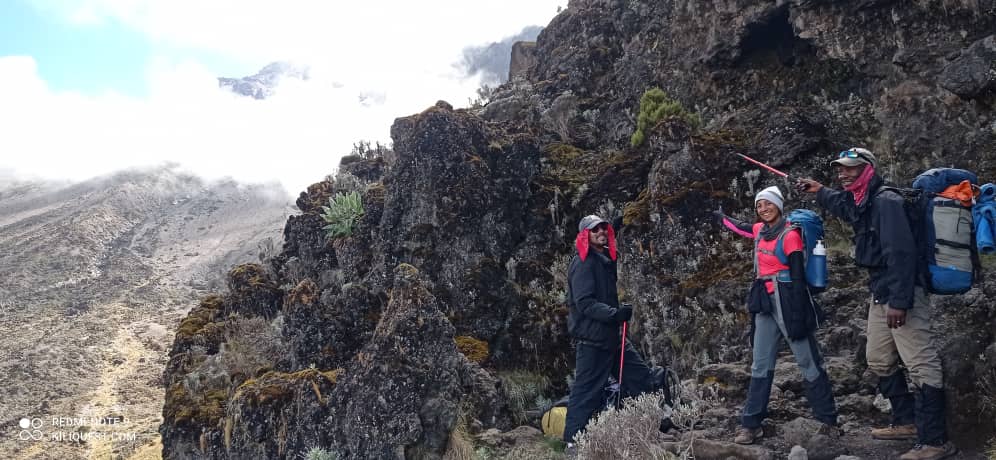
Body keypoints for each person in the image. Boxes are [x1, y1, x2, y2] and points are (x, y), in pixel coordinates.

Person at [797, 148, 957, 460]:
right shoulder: (861, 200)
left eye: (850, 169)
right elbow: (843, 206)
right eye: (840, 169)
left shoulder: (886, 201)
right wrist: (819, 191)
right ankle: (906, 420)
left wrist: (900, 301)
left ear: (868, 169)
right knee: (879, 359)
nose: (843, 174)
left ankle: (935, 441)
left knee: (921, 363)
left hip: (903, 293)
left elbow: (901, 254)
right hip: (880, 292)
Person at [713, 186, 839, 444]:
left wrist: (798, 314)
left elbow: (797, 276)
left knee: (807, 360)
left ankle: (829, 420)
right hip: (764, 301)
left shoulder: (790, 235)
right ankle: (751, 424)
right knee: (760, 364)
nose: (763, 209)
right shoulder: (760, 231)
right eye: (759, 205)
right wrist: (720, 217)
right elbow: (742, 227)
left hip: (788, 298)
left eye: (768, 204)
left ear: (779, 206)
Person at [563, 215, 659, 451]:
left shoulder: (603, 258)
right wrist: (614, 314)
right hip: (593, 339)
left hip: (613, 337)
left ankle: (649, 425)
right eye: (594, 230)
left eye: (604, 229)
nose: (601, 232)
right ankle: (573, 442)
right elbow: (584, 303)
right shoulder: (584, 263)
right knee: (586, 392)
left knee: (640, 377)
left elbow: (608, 232)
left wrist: (617, 222)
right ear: (585, 235)